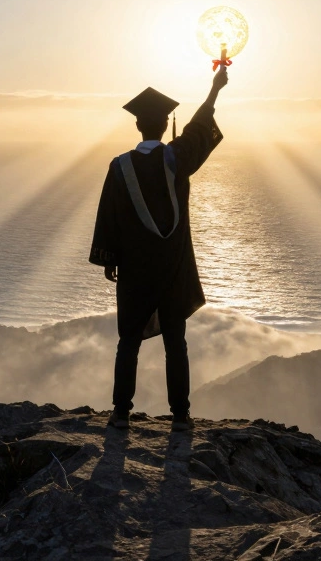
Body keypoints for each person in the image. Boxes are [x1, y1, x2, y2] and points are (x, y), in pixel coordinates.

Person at [89, 66, 227, 432]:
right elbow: (199, 128)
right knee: (176, 343)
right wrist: (214, 89)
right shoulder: (175, 160)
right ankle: (180, 416)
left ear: (138, 126)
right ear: (166, 125)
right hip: (172, 267)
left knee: (128, 342)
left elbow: (109, 216)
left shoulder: (120, 167)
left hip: (134, 270)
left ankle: (120, 413)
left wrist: (109, 259)